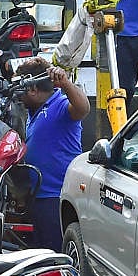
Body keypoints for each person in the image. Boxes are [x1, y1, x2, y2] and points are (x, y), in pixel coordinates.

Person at [17, 57, 90, 251]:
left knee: (55, 253)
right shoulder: (34, 110)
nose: (18, 97)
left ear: (32, 89)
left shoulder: (60, 104)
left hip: (56, 197)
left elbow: (83, 108)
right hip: (40, 197)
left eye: (20, 91)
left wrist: (65, 83)